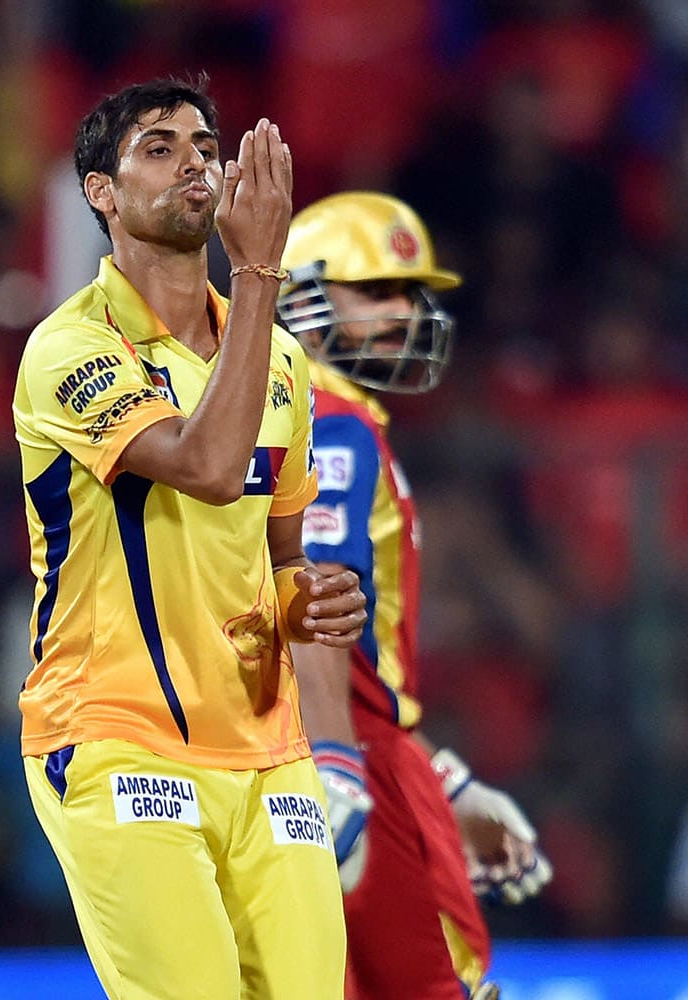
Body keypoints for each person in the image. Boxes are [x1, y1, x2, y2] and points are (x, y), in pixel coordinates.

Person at [12, 77, 367, 1000]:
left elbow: (279, 553)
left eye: (204, 146)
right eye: (160, 148)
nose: (195, 163)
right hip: (117, 739)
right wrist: (258, 273)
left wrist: (311, 598)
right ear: (101, 192)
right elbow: (209, 467)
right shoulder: (69, 347)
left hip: (268, 754)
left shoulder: (280, 361)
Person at [277, 191, 553, 1000]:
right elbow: (317, 610)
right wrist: (343, 764)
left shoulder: (281, 419)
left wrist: (452, 785)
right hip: (354, 756)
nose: (407, 312)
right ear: (303, 298)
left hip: (306, 751)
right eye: (379, 291)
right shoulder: (332, 424)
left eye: (410, 292)